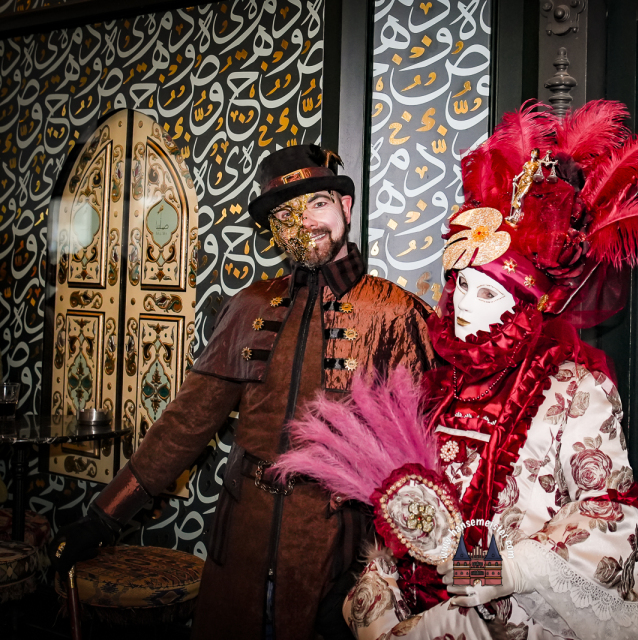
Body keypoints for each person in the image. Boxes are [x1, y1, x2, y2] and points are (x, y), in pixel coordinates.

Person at [51, 145, 438, 640]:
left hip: (335, 554)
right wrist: (103, 519)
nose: (304, 222)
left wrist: (377, 570)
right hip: (241, 545)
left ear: (345, 206)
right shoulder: (248, 306)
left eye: (318, 203)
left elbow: (424, 458)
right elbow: (186, 423)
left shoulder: (397, 313)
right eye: (285, 215)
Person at [342, 102, 638, 640]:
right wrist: (381, 591)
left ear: (525, 303)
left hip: (519, 616)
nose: (464, 305)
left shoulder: (575, 388)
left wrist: (509, 570)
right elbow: (410, 511)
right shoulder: (439, 384)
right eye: (462, 286)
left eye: (488, 293)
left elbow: (609, 513)